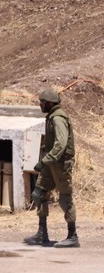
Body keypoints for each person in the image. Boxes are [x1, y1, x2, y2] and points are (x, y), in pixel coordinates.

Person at [24, 89, 77, 248]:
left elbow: (60, 144)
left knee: (65, 198)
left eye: (42, 102)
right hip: (51, 163)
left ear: (50, 103)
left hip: (60, 164)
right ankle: (42, 233)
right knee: (39, 193)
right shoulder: (51, 117)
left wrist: (44, 160)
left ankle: (72, 235)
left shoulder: (58, 118)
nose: (40, 104)